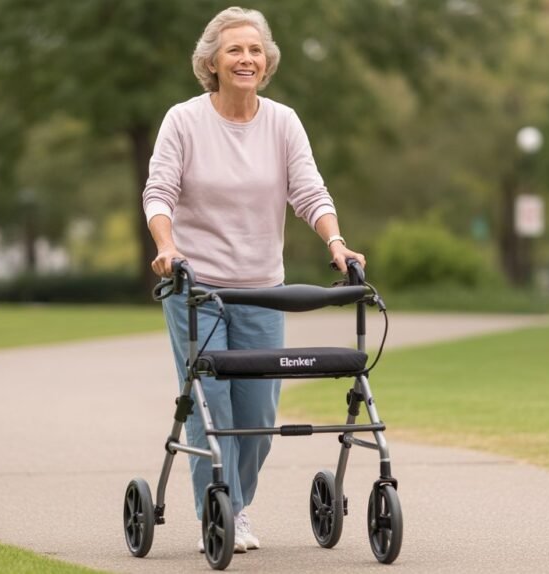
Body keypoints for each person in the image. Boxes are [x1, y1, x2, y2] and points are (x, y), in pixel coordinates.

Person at [141, 6, 366, 554]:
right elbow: (159, 193)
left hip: (263, 290)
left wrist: (336, 242)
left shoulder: (283, 122)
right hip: (197, 290)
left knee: (259, 418)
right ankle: (223, 512)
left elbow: (310, 192)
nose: (247, 58)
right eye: (235, 50)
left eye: (255, 50)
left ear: (266, 64)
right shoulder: (184, 120)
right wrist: (167, 247)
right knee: (212, 405)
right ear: (212, 62)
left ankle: (234, 502)